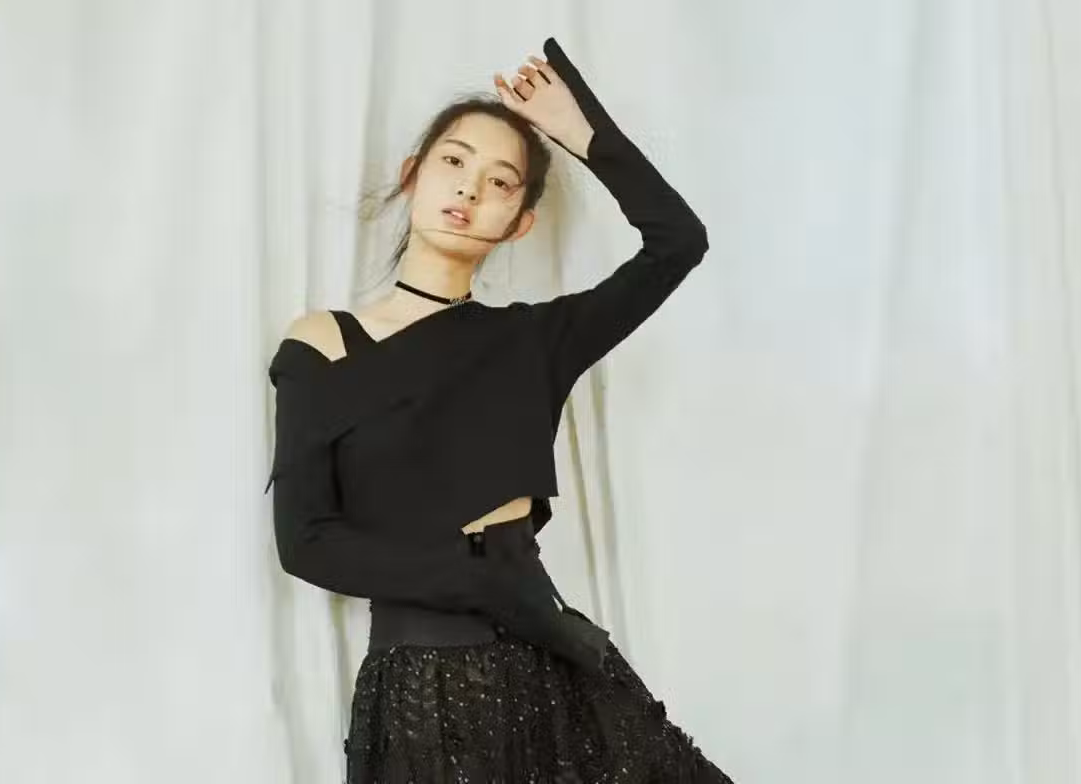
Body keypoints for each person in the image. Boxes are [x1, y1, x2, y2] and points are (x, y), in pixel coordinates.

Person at [265, 37, 732, 783]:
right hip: (421, 687)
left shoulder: (533, 342)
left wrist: (580, 130)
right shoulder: (323, 342)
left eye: (500, 181)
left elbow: (677, 242)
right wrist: (479, 580)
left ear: (520, 222)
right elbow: (307, 543)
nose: (469, 190)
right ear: (413, 176)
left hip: (552, 662)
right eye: (453, 162)